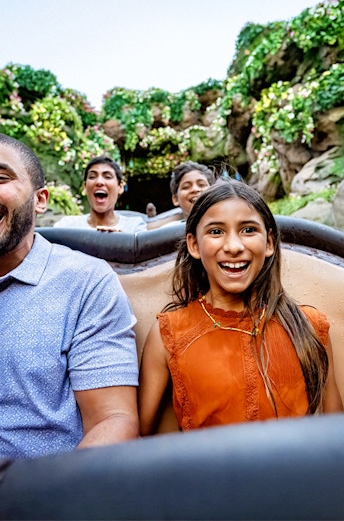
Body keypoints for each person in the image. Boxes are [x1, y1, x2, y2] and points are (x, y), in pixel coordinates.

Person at [138, 180, 343, 434]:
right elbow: (142, 440)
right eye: (216, 232)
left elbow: (337, 433)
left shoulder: (309, 326)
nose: (234, 246)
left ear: (269, 243)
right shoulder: (169, 335)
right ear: (194, 245)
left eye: (248, 230)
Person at [0, 135, 139, 459]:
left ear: (40, 200)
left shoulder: (85, 282)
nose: (100, 183)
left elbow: (113, 419)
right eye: (93, 176)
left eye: (1, 177)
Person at [54, 156, 146, 232]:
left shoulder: (134, 227)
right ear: (85, 187)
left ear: (120, 186)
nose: (99, 182)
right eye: (92, 176)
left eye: (107, 177)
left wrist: (123, 242)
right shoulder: (66, 226)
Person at [146, 161, 216, 230]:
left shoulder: (225, 220)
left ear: (213, 192)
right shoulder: (167, 232)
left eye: (201, 185)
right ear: (175, 199)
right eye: (186, 187)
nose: (195, 189)